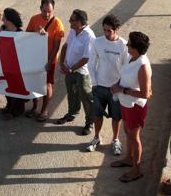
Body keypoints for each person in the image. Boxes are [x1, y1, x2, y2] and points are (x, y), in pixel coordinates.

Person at [110, 31, 152, 183]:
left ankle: (136, 170)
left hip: (135, 106)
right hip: (126, 103)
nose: (126, 45)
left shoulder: (143, 66)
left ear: (136, 48)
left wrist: (122, 90)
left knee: (134, 137)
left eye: (129, 44)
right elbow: (125, 75)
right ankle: (128, 159)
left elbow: (146, 94)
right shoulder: (131, 58)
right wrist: (117, 85)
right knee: (127, 132)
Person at [85, 14, 128, 154]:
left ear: (116, 30)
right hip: (100, 87)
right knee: (97, 115)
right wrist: (95, 83)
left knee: (116, 117)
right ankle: (96, 138)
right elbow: (91, 64)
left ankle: (115, 140)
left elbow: (127, 68)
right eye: (104, 30)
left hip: (116, 89)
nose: (106, 33)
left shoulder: (124, 45)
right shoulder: (97, 42)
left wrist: (120, 86)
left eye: (109, 30)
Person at [24, 0, 65, 122]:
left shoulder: (57, 23)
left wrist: (49, 62)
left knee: (47, 85)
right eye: (44, 11)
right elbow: (26, 36)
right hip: (35, 58)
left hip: (49, 60)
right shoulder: (34, 19)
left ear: (53, 10)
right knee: (34, 84)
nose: (47, 14)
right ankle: (35, 107)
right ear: (40, 8)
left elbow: (57, 46)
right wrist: (36, 33)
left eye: (50, 11)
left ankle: (44, 110)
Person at [56, 9, 96, 136]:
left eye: (72, 20)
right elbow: (65, 46)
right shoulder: (73, 31)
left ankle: (90, 122)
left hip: (82, 72)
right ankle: (71, 113)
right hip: (69, 69)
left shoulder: (89, 36)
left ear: (80, 22)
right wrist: (62, 63)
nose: (69, 22)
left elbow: (86, 58)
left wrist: (71, 69)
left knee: (86, 97)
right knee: (71, 93)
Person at [0, 8, 26, 120]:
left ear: (10, 20)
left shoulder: (20, 33)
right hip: (6, 64)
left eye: (4, 18)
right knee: (6, 87)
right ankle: (9, 105)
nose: (2, 20)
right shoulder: (2, 30)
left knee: (16, 88)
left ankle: (16, 110)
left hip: (17, 66)